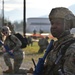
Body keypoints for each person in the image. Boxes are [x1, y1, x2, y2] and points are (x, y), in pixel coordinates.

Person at [30, 7, 75, 75]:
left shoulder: (71, 48)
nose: (53, 26)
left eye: (57, 23)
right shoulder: (57, 45)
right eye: (52, 23)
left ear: (67, 25)